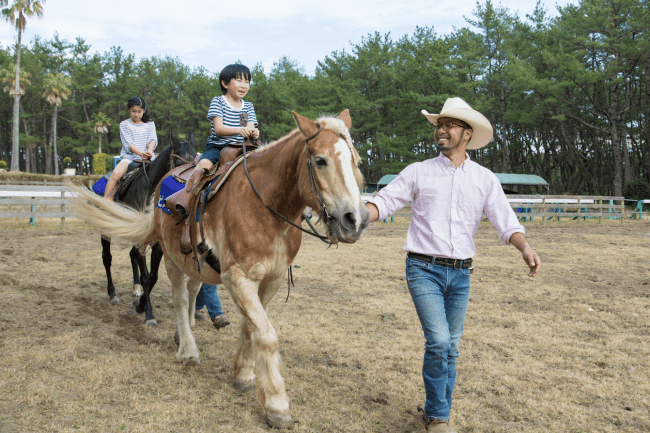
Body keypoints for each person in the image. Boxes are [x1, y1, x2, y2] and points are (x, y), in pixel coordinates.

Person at [365, 97, 541, 433]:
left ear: (467, 133)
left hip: (462, 274)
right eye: (439, 125)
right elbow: (386, 201)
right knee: (440, 342)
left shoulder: (484, 178)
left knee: (452, 348)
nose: (441, 131)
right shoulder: (418, 171)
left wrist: (524, 247)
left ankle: (437, 412)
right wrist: (361, 216)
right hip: (423, 269)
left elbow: (505, 220)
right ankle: (439, 417)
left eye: (449, 125)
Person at [185, 63, 259, 194]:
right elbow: (219, 129)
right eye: (239, 80)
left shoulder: (247, 106)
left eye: (247, 81)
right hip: (218, 148)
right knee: (203, 167)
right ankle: (186, 199)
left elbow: (248, 127)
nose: (244, 85)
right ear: (225, 83)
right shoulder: (218, 101)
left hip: (242, 148)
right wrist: (239, 130)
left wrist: (253, 133)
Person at [104, 96, 157, 201]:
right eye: (133, 111)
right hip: (130, 158)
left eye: (139, 111)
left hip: (148, 157)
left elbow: (153, 139)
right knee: (116, 174)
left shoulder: (150, 123)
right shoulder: (124, 124)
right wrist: (140, 153)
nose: (136, 114)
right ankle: (107, 199)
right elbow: (129, 143)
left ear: (144, 111)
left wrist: (149, 152)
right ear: (129, 110)